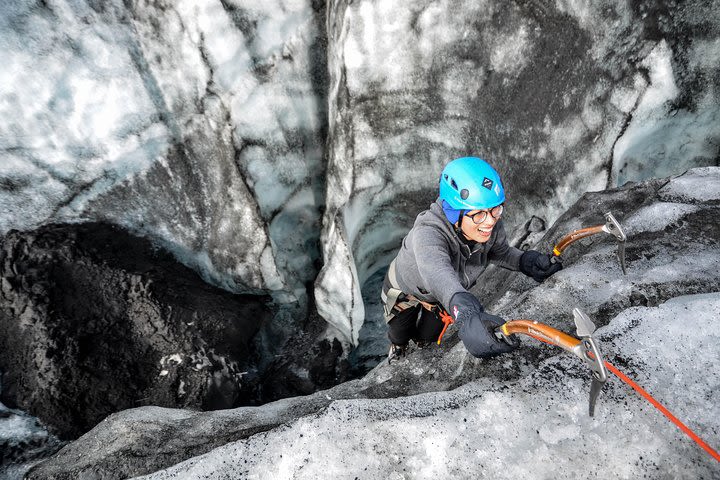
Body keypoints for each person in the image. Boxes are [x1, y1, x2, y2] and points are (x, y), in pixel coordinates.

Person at [382, 156, 562, 363]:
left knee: (428, 336)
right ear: (453, 213)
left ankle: (420, 344)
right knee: (399, 330)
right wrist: (465, 311)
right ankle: (398, 346)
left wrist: (525, 261)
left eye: (495, 210)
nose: (490, 221)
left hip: (440, 297)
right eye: (478, 214)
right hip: (404, 289)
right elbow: (436, 272)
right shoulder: (428, 232)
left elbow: (500, 252)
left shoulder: (489, 225)